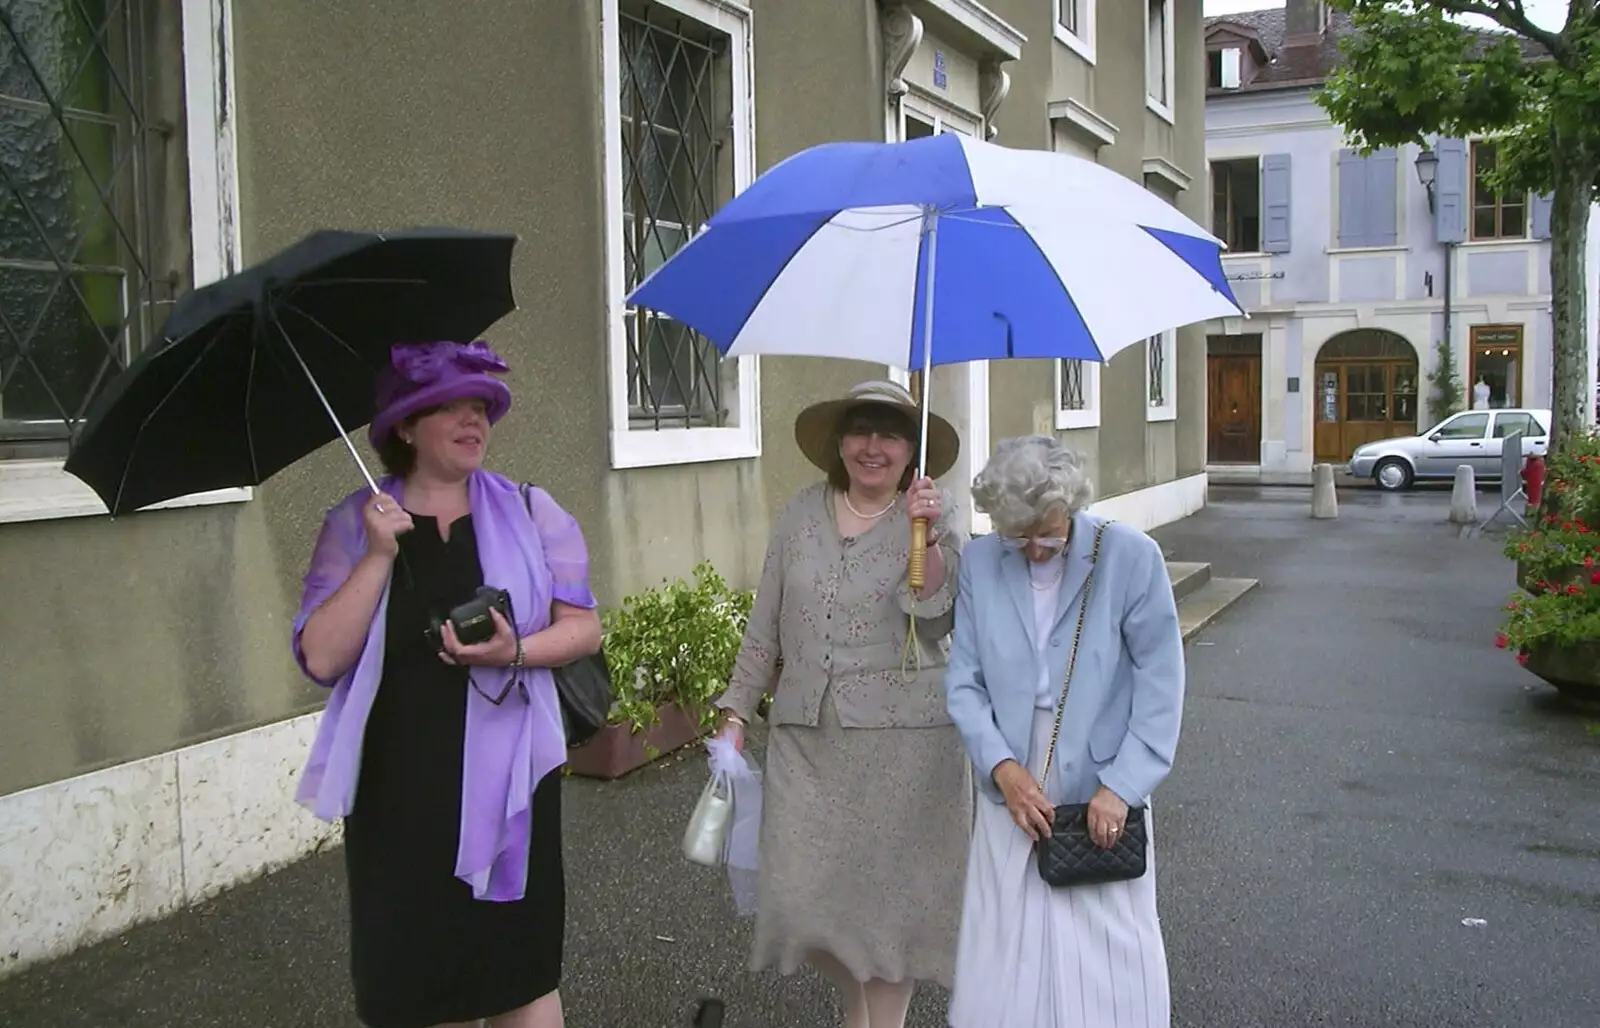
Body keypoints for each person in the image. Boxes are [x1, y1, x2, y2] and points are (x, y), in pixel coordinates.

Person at [291, 340, 602, 1028]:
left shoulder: (530, 510)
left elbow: (584, 629)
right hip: (400, 796)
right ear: (404, 426)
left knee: (519, 976)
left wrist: (513, 650)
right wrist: (376, 557)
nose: (473, 421)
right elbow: (320, 656)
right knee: (422, 985)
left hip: (510, 780)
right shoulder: (353, 525)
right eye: (450, 407)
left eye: (481, 407)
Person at [711, 380, 971, 1028]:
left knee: (890, 917)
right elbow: (764, 621)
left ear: (911, 449)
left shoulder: (934, 518)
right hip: (809, 742)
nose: (873, 446)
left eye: (890, 433)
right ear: (839, 441)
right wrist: (736, 711)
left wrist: (927, 538)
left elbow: (937, 622)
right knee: (809, 905)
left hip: (907, 753)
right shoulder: (800, 512)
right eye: (861, 430)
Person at [943, 435, 1185, 1028]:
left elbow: (1161, 682)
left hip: (1103, 770)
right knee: (1006, 932)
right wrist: (1002, 768)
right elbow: (965, 684)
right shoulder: (979, 562)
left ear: (1072, 507)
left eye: (1047, 534)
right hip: (1012, 770)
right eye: (1016, 536)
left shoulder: (1130, 557)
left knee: (1107, 941)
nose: (1033, 550)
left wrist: (1123, 786)